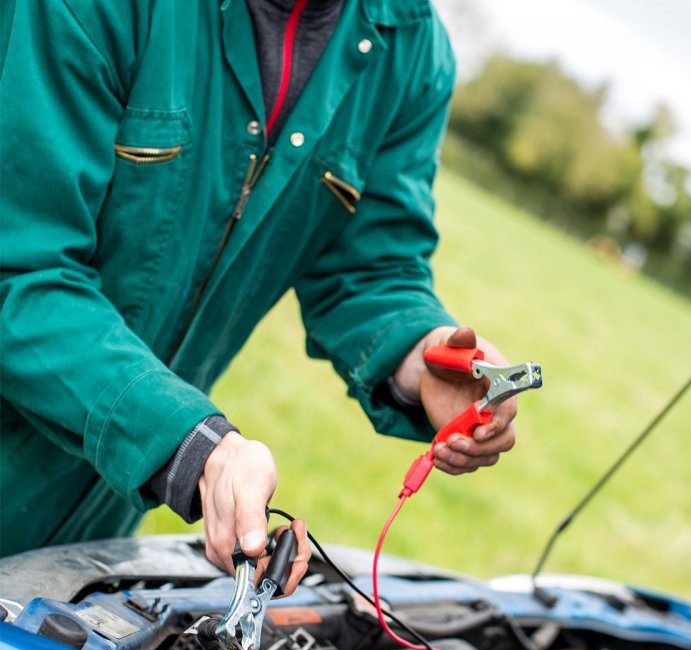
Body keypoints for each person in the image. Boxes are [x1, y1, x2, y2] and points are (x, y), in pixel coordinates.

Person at [0, 0, 517, 592]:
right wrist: (190, 447)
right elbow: (17, 265)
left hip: (87, 529)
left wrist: (420, 357)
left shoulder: (410, 46)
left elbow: (372, 267)